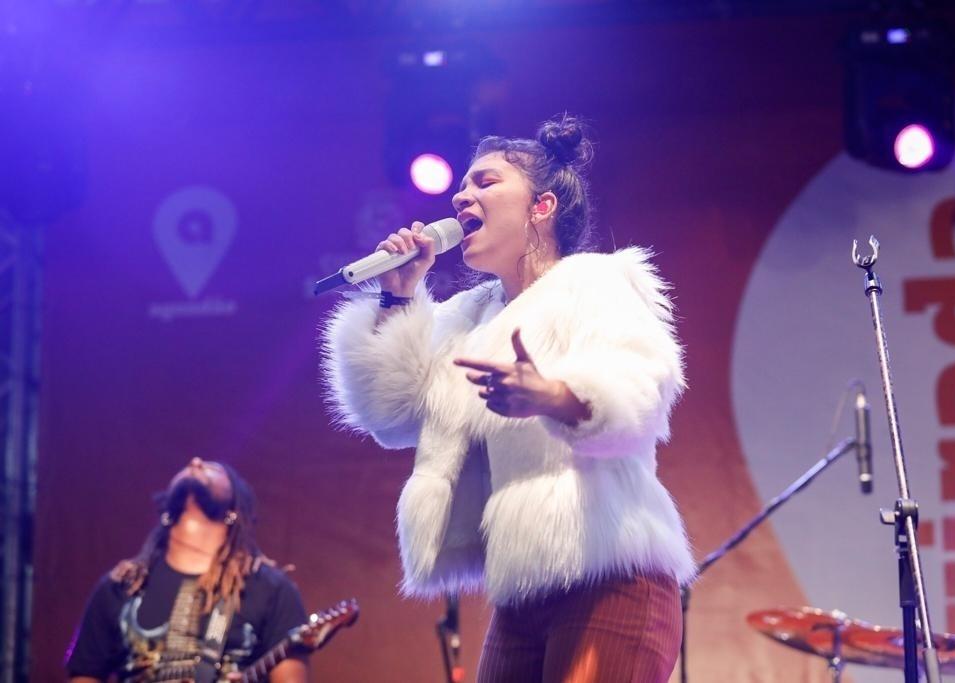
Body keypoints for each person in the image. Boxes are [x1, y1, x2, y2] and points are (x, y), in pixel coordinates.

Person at [322, 114, 694, 682]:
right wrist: (399, 297)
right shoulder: (468, 318)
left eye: (485, 182)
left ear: (541, 207)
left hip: (612, 572)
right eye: (463, 185)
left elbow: (642, 392)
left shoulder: (594, 282)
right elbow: (390, 417)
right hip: (521, 590)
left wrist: (556, 395)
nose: (461, 195)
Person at [66, 458, 309, 683]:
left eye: (214, 469)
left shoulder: (270, 589)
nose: (196, 462)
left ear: (234, 510)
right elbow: (85, 675)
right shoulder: (122, 586)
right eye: (190, 465)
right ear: (166, 511)